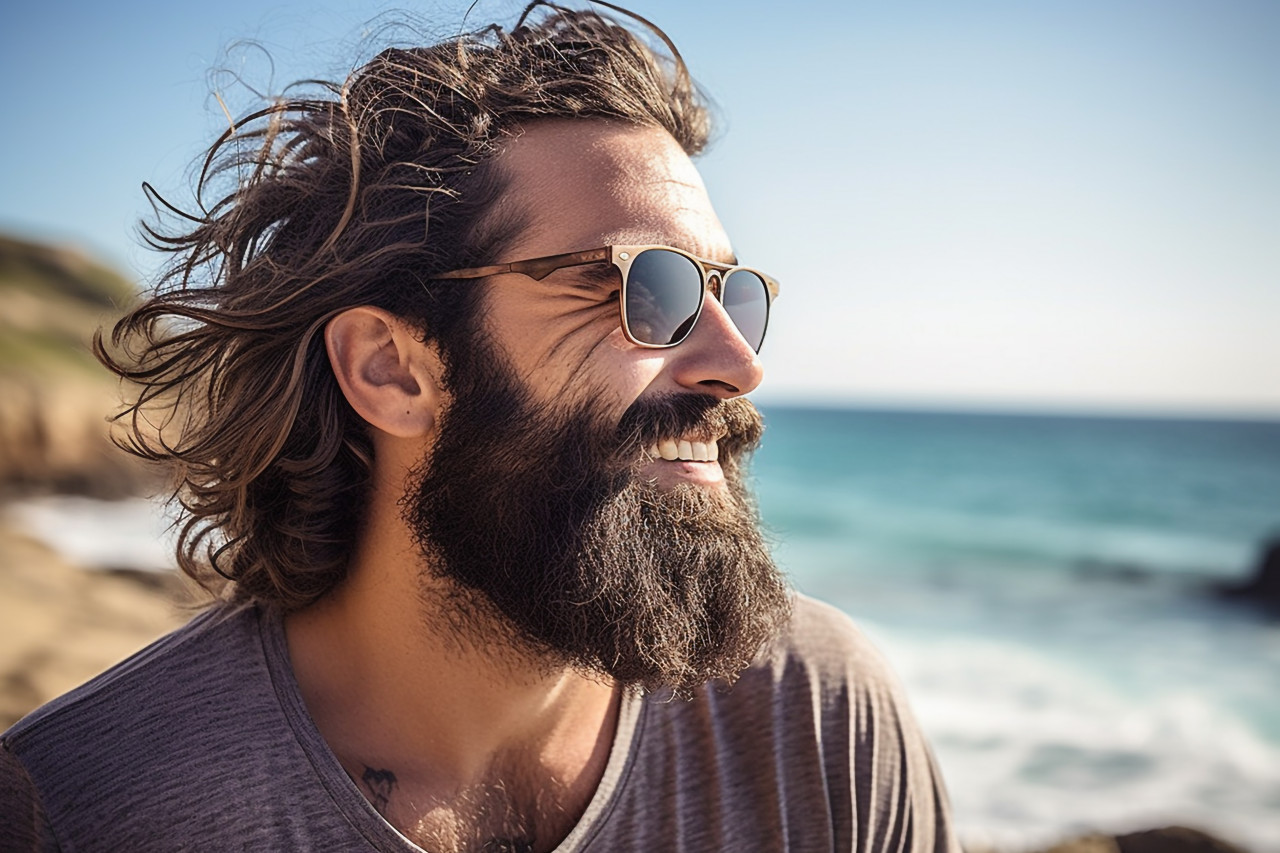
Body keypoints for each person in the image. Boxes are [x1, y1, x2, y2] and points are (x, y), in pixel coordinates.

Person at [0, 5, 960, 851]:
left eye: (732, 295)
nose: (739, 363)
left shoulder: (819, 719)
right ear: (392, 368)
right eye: (645, 288)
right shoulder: (85, 809)